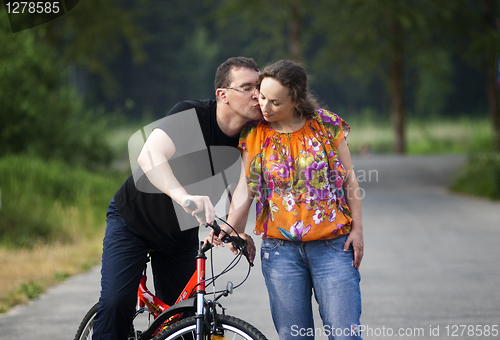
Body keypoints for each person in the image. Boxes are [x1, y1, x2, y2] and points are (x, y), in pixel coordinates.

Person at [92, 57, 260, 340]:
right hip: (133, 221)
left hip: (179, 237)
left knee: (183, 321)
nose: (257, 94)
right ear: (223, 94)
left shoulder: (251, 138)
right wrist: (184, 197)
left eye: (259, 86)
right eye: (247, 88)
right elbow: (149, 155)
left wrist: (233, 230)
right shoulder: (192, 115)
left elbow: (244, 192)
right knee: (115, 303)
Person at [218, 60, 364, 340]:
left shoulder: (326, 124)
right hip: (280, 253)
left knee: (345, 335)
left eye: (275, 102)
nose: (264, 107)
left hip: (333, 247)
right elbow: (245, 189)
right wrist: (228, 228)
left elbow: (349, 181)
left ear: (296, 100)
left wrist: (358, 230)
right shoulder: (255, 131)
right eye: (262, 97)